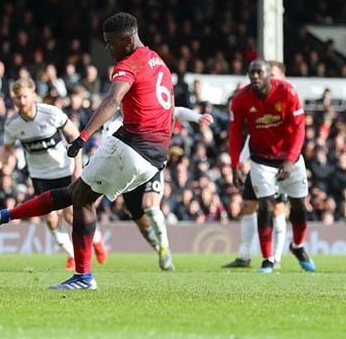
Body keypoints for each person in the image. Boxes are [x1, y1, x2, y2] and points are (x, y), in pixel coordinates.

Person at [0, 12, 174, 289]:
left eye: (110, 43)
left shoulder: (127, 64)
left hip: (133, 144)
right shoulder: (158, 62)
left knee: (80, 199)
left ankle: (83, 276)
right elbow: (167, 109)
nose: (107, 49)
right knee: (78, 195)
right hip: (155, 154)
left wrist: (83, 136)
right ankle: (7, 216)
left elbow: (112, 100)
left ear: (128, 39)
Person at [0, 77, 107, 271]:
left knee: (70, 215)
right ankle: (72, 256)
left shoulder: (50, 113)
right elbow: (7, 148)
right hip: (40, 175)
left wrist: (77, 167)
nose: (22, 101)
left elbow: (75, 135)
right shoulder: (13, 124)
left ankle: (98, 242)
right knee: (50, 219)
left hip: (64, 169)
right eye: (17, 98)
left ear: (33, 95)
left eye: (25, 96)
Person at [228, 59, 315, 273]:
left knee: (298, 206)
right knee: (265, 205)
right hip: (261, 161)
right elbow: (235, 133)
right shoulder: (240, 99)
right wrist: (235, 164)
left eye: (259, 73)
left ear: (269, 75)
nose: (255, 77)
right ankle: (268, 259)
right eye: (251, 73)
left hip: (290, 158)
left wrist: (290, 158)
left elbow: (299, 129)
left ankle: (298, 246)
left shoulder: (288, 92)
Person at [118, 107, 213, 271]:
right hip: (128, 173)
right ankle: (161, 249)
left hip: (152, 164)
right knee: (140, 220)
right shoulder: (111, 120)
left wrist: (197, 117)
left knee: (150, 205)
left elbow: (176, 110)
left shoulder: (147, 105)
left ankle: (164, 248)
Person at [223, 60, 289, 269]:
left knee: (276, 207)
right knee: (248, 205)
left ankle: (275, 258)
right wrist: (241, 161)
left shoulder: (286, 98)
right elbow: (250, 134)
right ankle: (244, 256)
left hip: (279, 161)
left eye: (275, 75)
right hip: (258, 160)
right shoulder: (256, 99)